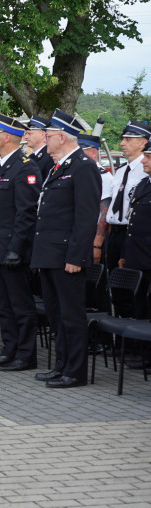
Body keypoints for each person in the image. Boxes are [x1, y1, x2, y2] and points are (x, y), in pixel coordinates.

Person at [31, 109, 100, 388]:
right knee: (56, 314)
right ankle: (61, 365)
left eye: (47, 136)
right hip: (49, 255)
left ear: (61, 137)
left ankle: (76, 371)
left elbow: (85, 217)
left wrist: (75, 256)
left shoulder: (83, 167)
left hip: (66, 256)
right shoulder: (59, 166)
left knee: (71, 315)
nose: (44, 140)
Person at [0, 115, 41, 372]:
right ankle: (9, 349)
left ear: (7, 137)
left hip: (11, 249)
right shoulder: (0, 166)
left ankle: (26, 355)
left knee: (20, 305)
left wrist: (16, 248)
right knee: (2, 304)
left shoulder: (26, 167)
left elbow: (26, 213)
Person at [99, 121, 150, 271]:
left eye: (128, 140)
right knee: (112, 279)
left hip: (133, 233)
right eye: (123, 139)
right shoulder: (121, 170)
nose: (122, 143)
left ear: (143, 143)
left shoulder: (145, 171)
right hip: (113, 232)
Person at [118, 141, 151, 367]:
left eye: (148, 157)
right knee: (139, 305)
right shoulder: (143, 184)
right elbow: (131, 222)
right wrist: (124, 253)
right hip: (136, 255)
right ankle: (142, 352)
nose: (145, 161)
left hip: (148, 256)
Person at [79, 134, 116, 268]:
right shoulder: (81, 172)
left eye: (81, 150)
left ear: (93, 152)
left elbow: (104, 212)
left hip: (93, 235)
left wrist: (97, 244)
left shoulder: (103, 177)